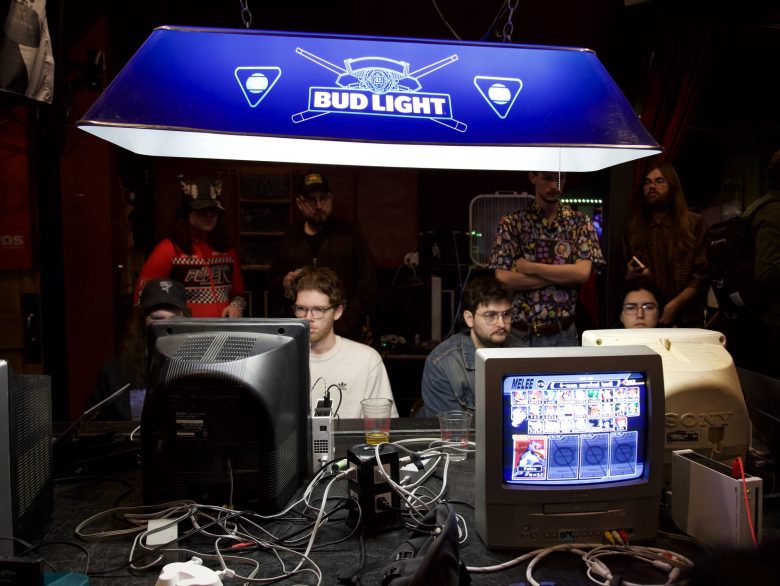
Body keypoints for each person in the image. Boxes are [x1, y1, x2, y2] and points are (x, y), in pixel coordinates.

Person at [489, 171, 605, 346]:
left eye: (560, 178)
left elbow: (581, 274)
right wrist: (564, 276)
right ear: (532, 176)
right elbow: (504, 279)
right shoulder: (512, 223)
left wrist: (529, 268)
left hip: (563, 332)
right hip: (521, 333)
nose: (554, 186)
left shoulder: (580, 222)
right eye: (547, 178)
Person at [269, 172, 377, 342]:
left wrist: (344, 323)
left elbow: (368, 286)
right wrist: (284, 282)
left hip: (344, 335)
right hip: (300, 334)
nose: (319, 205)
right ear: (300, 203)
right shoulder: (290, 237)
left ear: (331, 198)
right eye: (312, 200)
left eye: (323, 198)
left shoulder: (349, 235)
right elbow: (272, 282)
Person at [291, 266, 398, 419]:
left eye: (318, 310)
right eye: (301, 309)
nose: (308, 318)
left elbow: (381, 426)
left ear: (337, 312)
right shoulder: (284, 359)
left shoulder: (366, 360)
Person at [134, 176, 246, 318]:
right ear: (187, 212)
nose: (208, 215)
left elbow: (239, 294)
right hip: (183, 329)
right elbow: (142, 294)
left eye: (213, 210)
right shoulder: (168, 250)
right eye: (201, 209)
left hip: (222, 328)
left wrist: (236, 306)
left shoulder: (227, 250)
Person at [419, 276, 525, 417]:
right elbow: (449, 427)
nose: (501, 323)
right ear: (469, 319)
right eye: (490, 316)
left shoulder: (523, 351)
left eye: (506, 314)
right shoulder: (442, 363)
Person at [87, 278, 189, 420]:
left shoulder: (199, 369)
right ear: (142, 321)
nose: (166, 327)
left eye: (174, 319)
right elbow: (94, 423)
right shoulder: (114, 371)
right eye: (157, 319)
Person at [623, 162, 708, 327]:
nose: (652, 186)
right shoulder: (633, 229)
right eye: (647, 182)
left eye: (659, 181)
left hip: (688, 317)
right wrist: (631, 276)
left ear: (672, 185)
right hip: (648, 318)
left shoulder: (694, 223)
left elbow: (702, 275)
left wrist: (676, 304)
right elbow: (625, 277)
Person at [727, 150, 780, 377]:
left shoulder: (760, 206)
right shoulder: (774, 211)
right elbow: (767, 269)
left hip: (755, 315)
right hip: (771, 319)